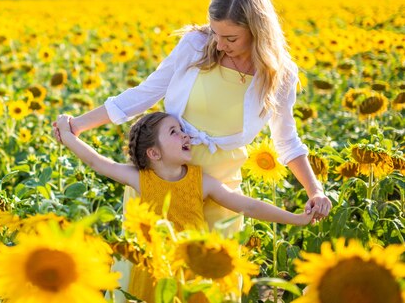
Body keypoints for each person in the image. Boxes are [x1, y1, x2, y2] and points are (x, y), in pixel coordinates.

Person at [53, 0, 331, 232]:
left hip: (221, 186)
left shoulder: (279, 74)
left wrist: (314, 190)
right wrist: (78, 125)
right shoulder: (197, 45)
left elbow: (286, 141)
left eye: (231, 38)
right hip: (165, 174)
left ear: (258, 32)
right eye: (215, 32)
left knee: (213, 271)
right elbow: (145, 93)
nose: (220, 44)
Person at [54, 112, 315, 303]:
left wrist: (295, 218)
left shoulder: (200, 181)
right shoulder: (140, 179)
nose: (185, 134)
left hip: (194, 269)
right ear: (154, 154)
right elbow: (96, 162)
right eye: (174, 132)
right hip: (151, 270)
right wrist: (67, 133)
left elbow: (248, 206)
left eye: (181, 129)